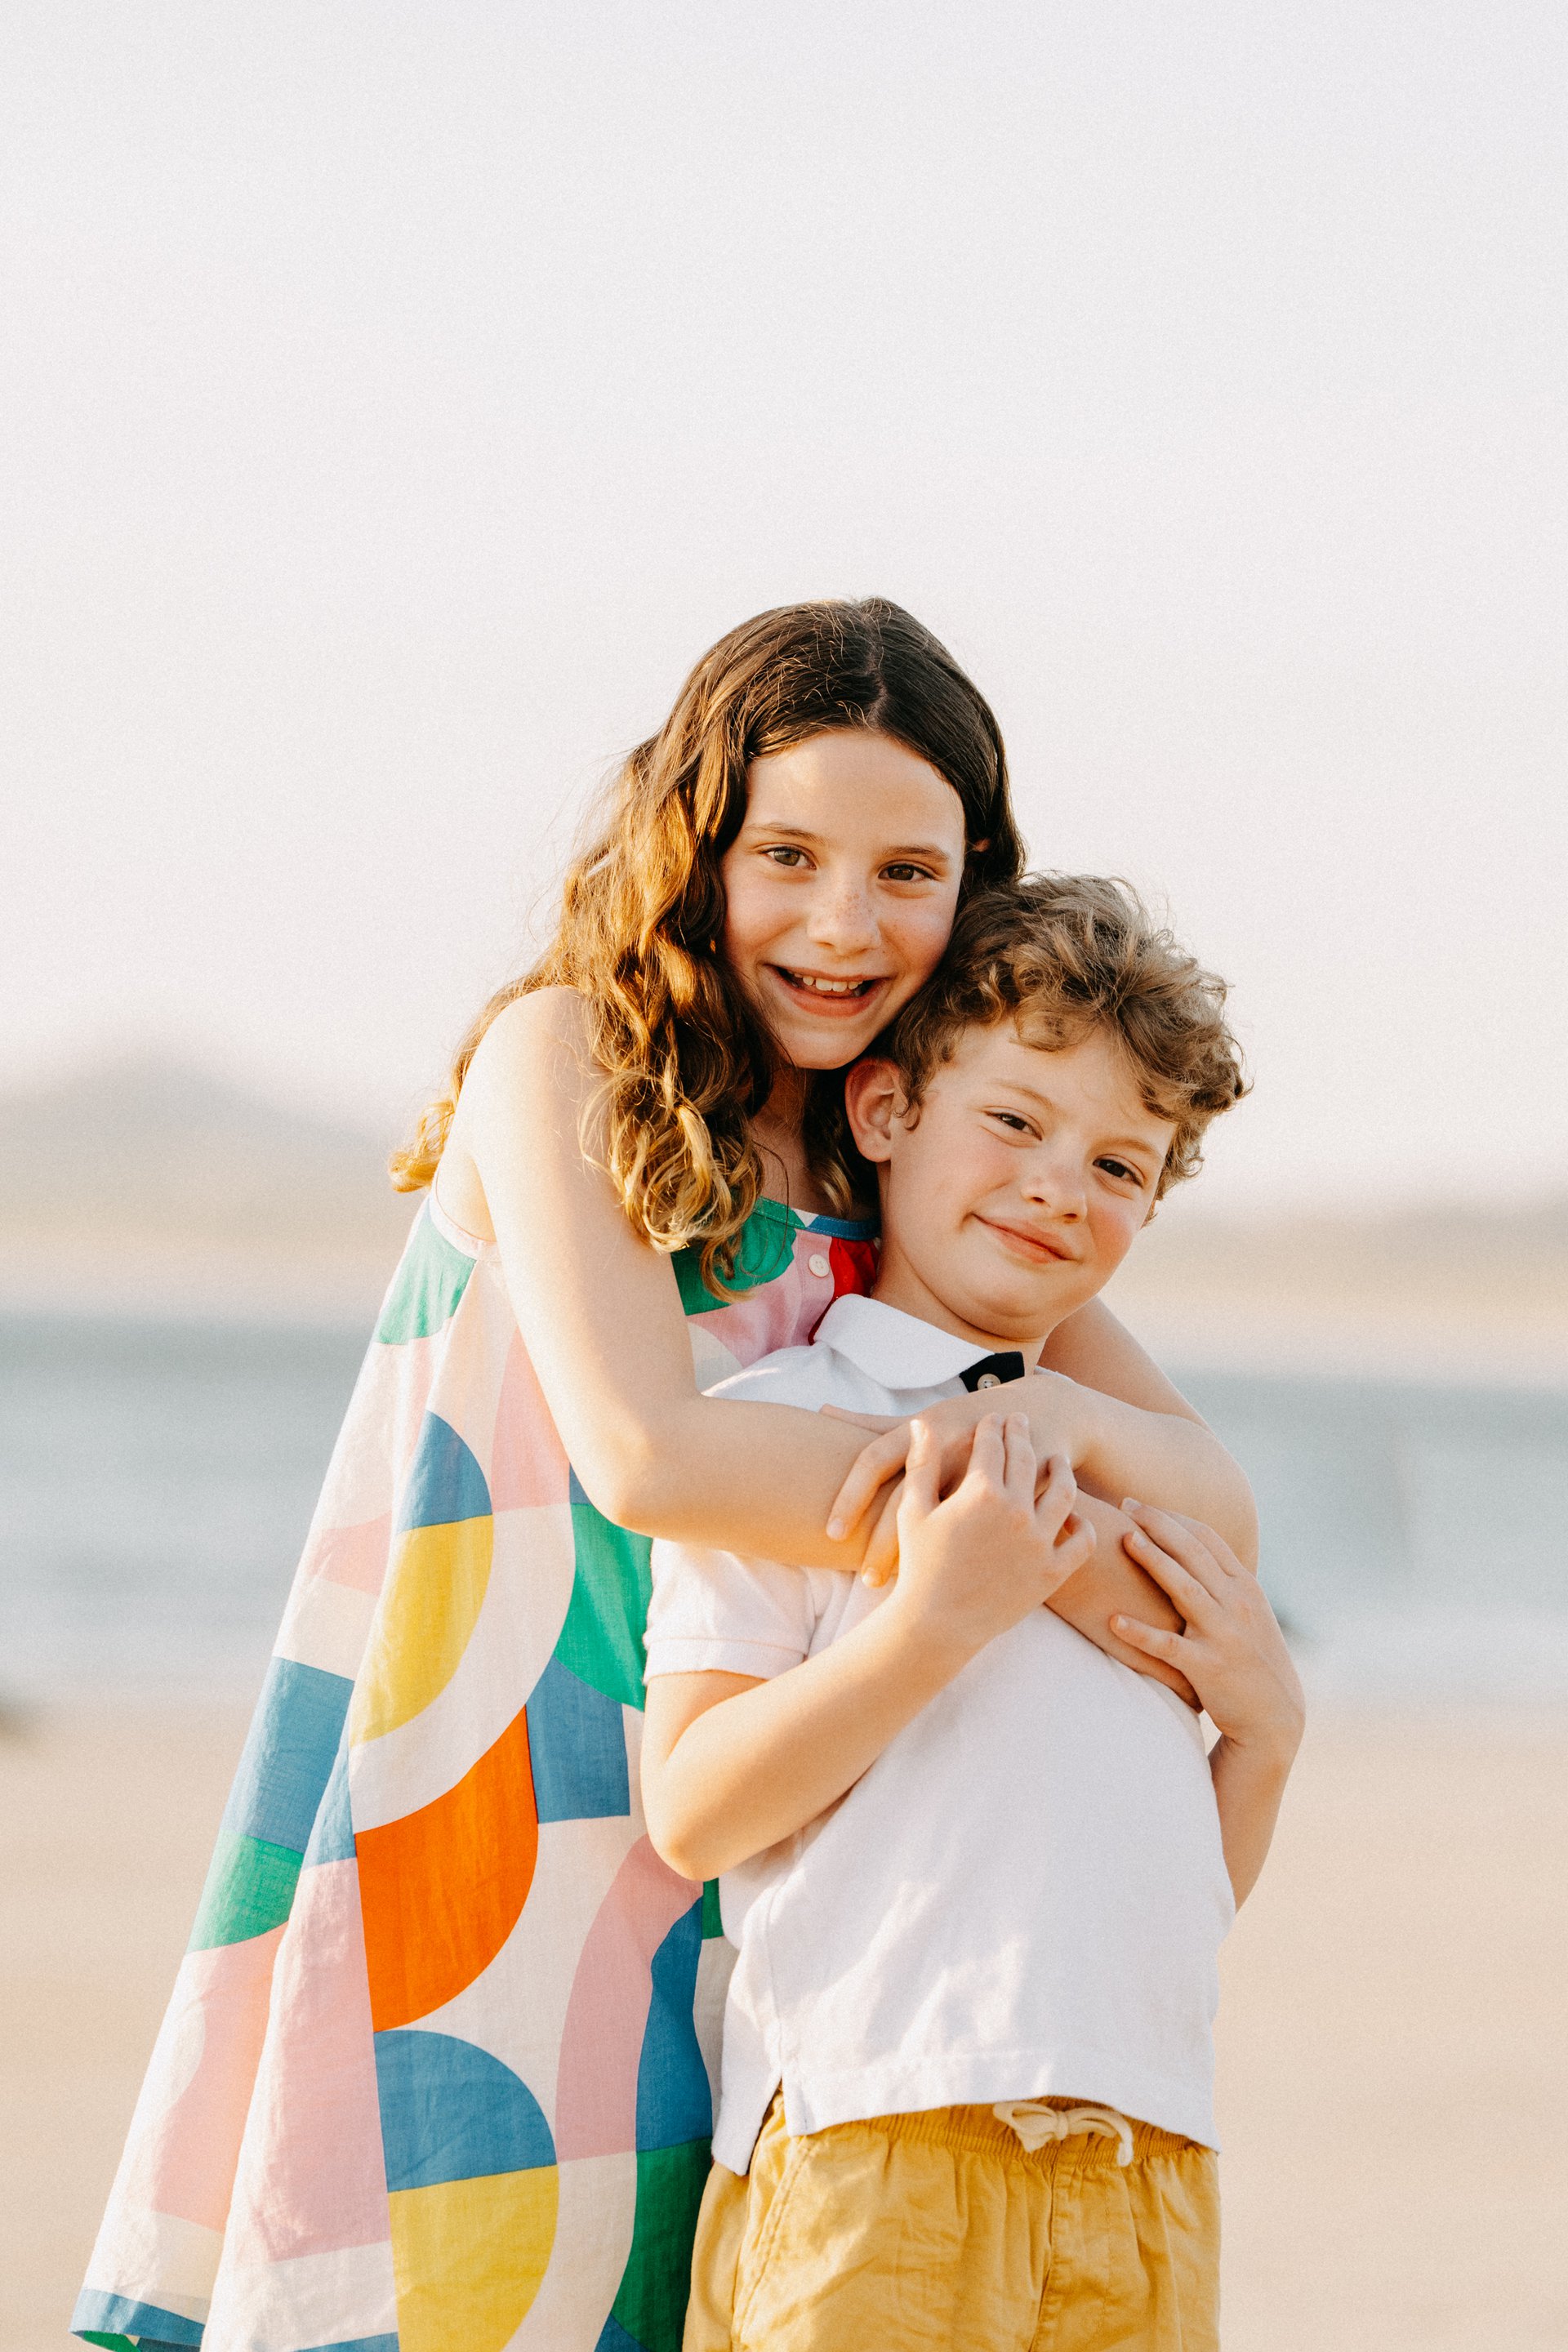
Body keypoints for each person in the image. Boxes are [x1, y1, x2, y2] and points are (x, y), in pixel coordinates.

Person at [75, 604, 1256, 2352]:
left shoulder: (914, 1146)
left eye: (908, 874)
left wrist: (1047, 1508)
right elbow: (653, 1454)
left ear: (974, 890)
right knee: (457, 2273)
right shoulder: (569, 1058)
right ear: (693, 845)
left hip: (778, 1801)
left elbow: (1210, 1498)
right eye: (787, 856)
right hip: (506, 1767)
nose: (843, 923)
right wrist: (1035, 1559)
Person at [642, 875, 1304, 2352]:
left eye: (1120, 1165)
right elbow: (692, 1811)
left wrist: (1263, 1745)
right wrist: (928, 1627)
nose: (1060, 1186)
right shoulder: (796, 1425)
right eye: (1014, 1122)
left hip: (1143, 2151)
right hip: (876, 2135)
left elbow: (1168, 1897)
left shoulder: (1147, 1499)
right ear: (886, 1113)